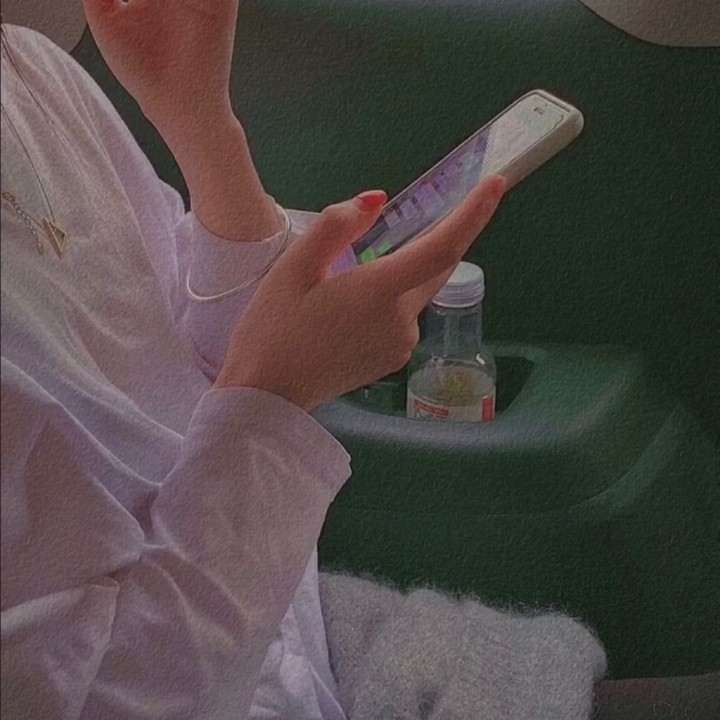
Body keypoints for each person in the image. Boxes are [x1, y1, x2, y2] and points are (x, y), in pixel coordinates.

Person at [4, 2, 711, 719]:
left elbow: (199, 348)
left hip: (284, 630)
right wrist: (276, 396)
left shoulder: (29, 68)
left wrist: (203, 128)